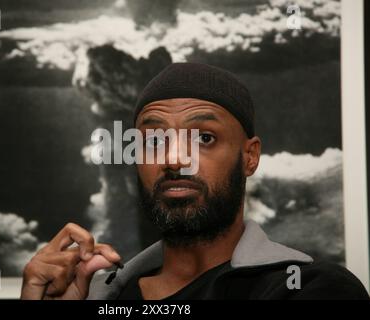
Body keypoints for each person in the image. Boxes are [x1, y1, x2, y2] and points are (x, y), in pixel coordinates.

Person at [20, 63, 369, 300]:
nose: (174, 159)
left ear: (250, 156)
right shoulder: (104, 295)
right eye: (154, 141)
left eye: (204, 138)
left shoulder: (308, 289)